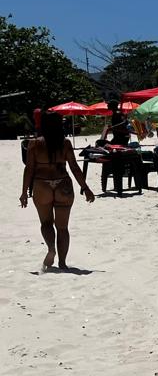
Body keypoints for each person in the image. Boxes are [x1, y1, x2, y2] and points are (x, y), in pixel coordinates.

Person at [19, 113, 95, 271]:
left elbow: (29, 169)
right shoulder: (65, 143)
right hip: (63, 185)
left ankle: (51, 249)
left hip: (42, 185)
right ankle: (62, 263)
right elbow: (74, 167)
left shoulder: (34, 144)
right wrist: (85, 188)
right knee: (62, 228)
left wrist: (24, 192)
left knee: (46, 223)